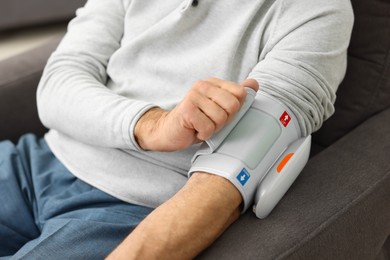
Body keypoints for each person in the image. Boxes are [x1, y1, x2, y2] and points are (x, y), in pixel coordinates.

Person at [0, 0, 353, 259]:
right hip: (36, 162)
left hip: (125, 210)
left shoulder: (316, 11)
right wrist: (151, 124)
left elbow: (232, 175)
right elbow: (58, 85)